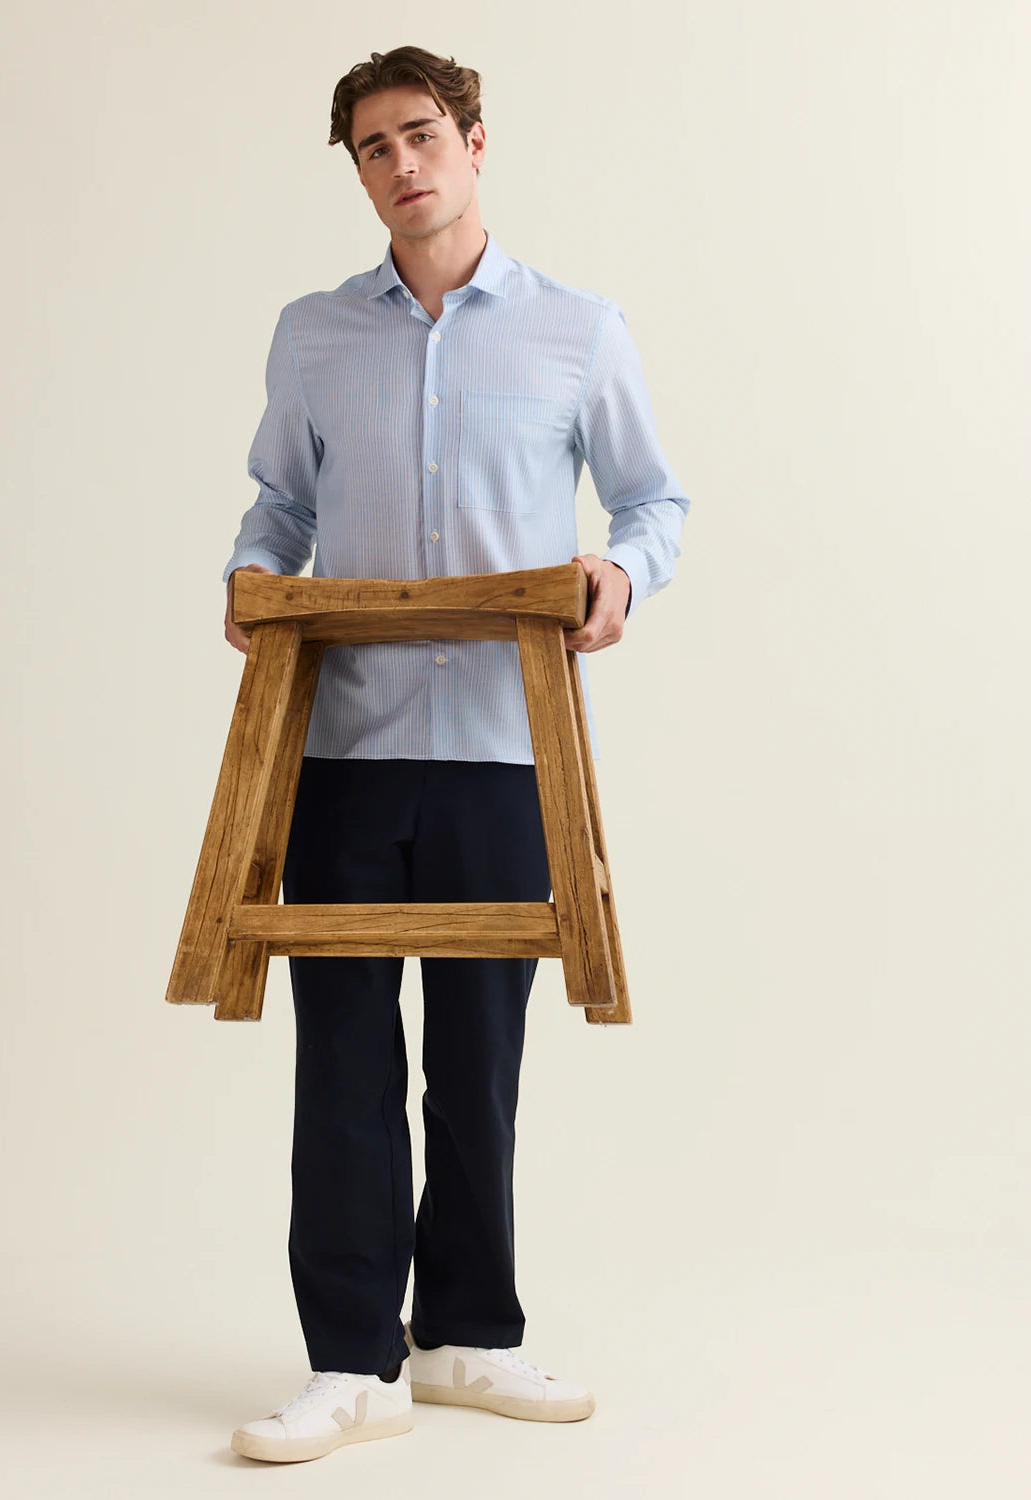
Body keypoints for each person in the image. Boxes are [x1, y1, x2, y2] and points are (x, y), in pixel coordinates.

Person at [223, 45, 691, 1464]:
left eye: (421, 134)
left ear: (476, 142)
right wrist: (248, 580)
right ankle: (352, 1361)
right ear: (357, 170)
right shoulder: (313, 335)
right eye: (372, 147)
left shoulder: (579, 330)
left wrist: (621, 577)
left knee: (480, 1055)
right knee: (344, 1056)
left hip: (505, 750)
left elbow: (657, 501)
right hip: (345, 747)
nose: (401, 164)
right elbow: (274, 509)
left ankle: (469, 1338)